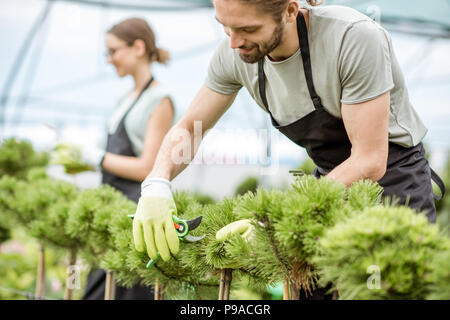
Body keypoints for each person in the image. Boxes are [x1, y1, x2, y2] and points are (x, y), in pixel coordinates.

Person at [131, 0, 446, 299]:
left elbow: (369, 160)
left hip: (391, 188)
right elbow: (189, 129)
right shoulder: (234, 54)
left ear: (290, 10)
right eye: (225, 26)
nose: (234, 42)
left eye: (248, 29)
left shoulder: (353, 38)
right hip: (323, 191)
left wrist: (271, 221)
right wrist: (157, 182)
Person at [56, 17, 175, 299]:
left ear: (138, 47)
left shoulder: (160, 100)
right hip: (110, 214)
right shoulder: (124, 100)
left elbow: (149, 168)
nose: (109, 60)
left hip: (134, 218)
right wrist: (85, 162)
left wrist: (97, 158)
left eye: (113, 51)